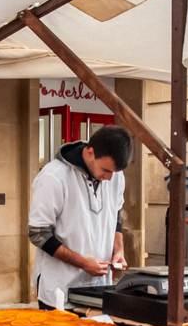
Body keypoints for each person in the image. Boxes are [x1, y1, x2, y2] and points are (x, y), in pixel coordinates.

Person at [28, 125, 132, 310]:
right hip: (59, 291)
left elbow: (115, 214)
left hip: (101, 290)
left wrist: (119, 250)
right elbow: (38, 233)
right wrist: (82, 263)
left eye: (113, 173)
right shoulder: (53, 177)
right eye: (105, 170)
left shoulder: (116, 176)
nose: (109, 178)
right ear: (90, 152)